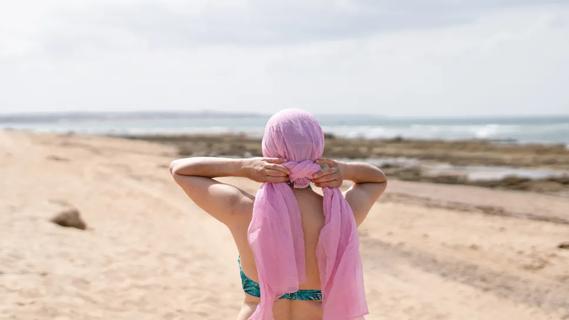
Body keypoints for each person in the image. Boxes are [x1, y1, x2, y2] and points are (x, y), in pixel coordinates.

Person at [169, 109, 387, 320]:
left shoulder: (243, 209)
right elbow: (377, 179)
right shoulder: (340, 214)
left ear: (267, 149)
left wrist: (243, 166)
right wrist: (343, 170)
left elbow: (179, 169)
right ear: (318, 149)